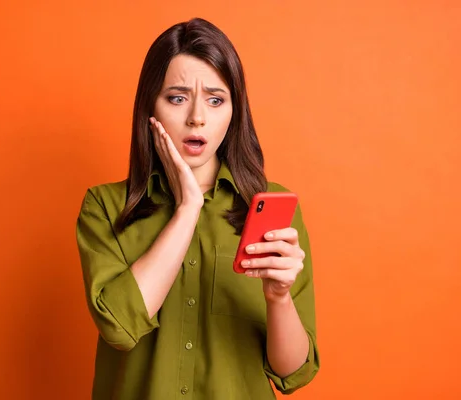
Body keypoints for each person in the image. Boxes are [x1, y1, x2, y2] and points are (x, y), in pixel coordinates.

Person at [76, 17, 319, 399]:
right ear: (149, 107)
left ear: (234, 112)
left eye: (216, 99)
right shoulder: (105, 207)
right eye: (177, 98)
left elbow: (294, 373)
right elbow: (119, 328)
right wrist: (188, 207)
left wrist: (278, 297)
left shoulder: (270, 210)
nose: (197, 117)